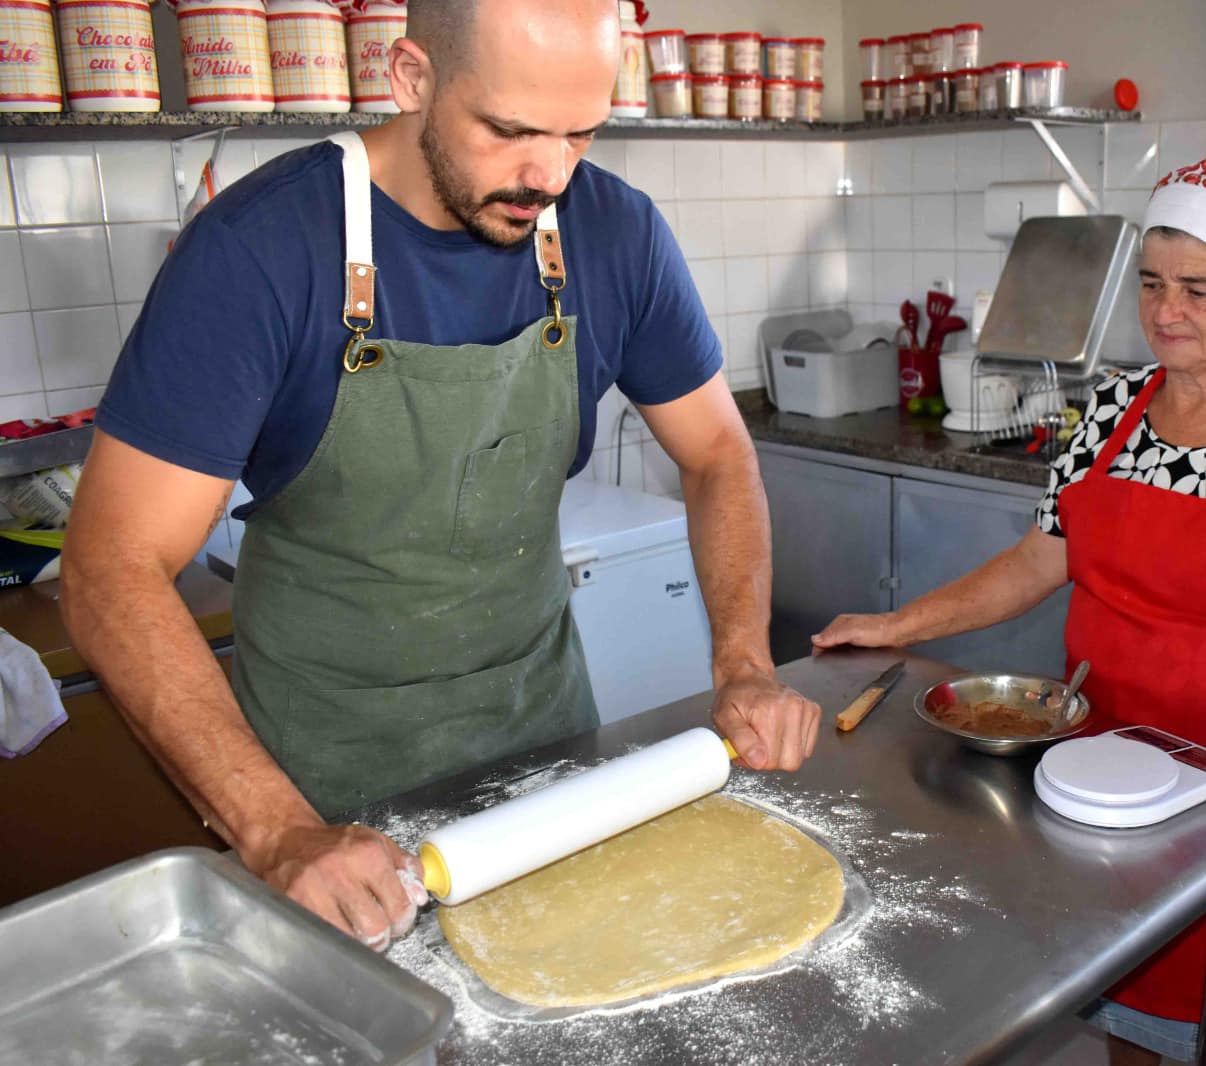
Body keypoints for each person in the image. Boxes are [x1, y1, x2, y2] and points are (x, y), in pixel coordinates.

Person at [59, 0, 820, 953]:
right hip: (324, 794)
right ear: (410, 77)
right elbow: (107, 568)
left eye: (581, 132)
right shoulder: (262, 249)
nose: (549, 176)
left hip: (549, 769)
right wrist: (278, 829)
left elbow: (716, 453)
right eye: (508, 131)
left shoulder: (614, 233)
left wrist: (743, 665)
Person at [815, 158, 1206, 1066]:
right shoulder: (1108, 413)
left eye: (1200, 291)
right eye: (1152, 283)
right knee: (1127, 1012)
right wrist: (895, 626)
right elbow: (1041, 557)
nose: (1166, 310)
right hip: (1091, 782)